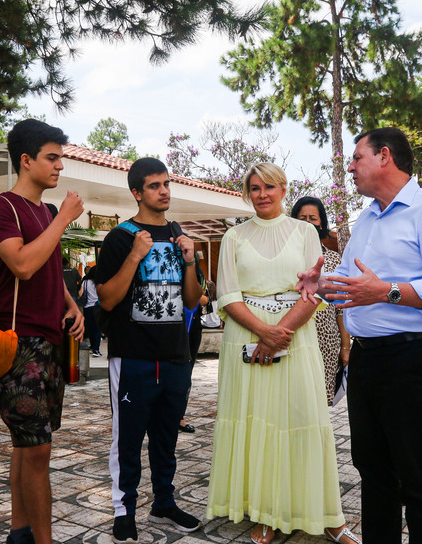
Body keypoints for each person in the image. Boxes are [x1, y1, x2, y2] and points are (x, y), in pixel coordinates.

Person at [298, 128, 422, 544]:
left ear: (384, 156)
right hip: (366, 361)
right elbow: (358, 285)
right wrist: (323, 285)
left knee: (417, 476)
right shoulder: (367, 216)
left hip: (410, 359)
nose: (349, 167)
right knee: (372, 471)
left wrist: (387, 291)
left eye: (357, 158)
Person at [206, 163, 360, 544]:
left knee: (304, 420)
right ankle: (264, 513)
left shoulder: (306, 232)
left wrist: (280, 333)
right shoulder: (234, 236)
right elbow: (226, 293)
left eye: (269, 186)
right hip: (246, 337)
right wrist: (262, 332)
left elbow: (318, 290)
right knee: (257, 422)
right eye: (254, 188)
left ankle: (327, 515)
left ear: (283, 188)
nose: (262, 194)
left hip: (296, 336)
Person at [0, 118, 85, 544]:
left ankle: (20, 532)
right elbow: (21, 263)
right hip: (18, 339)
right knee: (37, 448)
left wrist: (70, 302)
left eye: (62, 157)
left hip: (50, 338)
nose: (60, 166)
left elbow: (45, 268)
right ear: (26, 161)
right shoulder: (0, 206)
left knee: (30, 444)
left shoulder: (43, 211)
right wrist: (62, 221)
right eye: (52, 157)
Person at [94, 157, 203, 544]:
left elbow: (192, 301)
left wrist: (190, 259)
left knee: (165, 436)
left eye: (167, 184)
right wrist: (136, 256)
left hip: (174, 355)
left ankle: (165, 501)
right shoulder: (121, 237)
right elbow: (106, 299)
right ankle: (123, 510)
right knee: (127, 438)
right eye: (155, 185)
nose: (164, 191)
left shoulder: (179, 236)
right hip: (133, 356)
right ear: (137, 192)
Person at [291, 196, 351, 405]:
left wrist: (345, 347)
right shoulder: (286, 258)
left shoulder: (334, 259)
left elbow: (341, 308)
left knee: (320, 402)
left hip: (326, 342)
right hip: (292, 336)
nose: (308, 222)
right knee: (293, 399)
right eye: (302, 218)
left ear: (322, 223)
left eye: (313, 218)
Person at [179, 273, 209, 433]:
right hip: (173, 323)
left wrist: (195, 296)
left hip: (193, 324)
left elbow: (204, 299)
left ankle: (179, 416)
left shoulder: (195, 269)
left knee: (186, 372)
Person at [79, 265, 102, 357]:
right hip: (97, 307)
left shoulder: (85, 282)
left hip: (87, 308)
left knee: (90, 328)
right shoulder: (99, 283)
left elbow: (80, 293)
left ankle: (92, 346)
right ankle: (96, 349)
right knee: (97, 329)